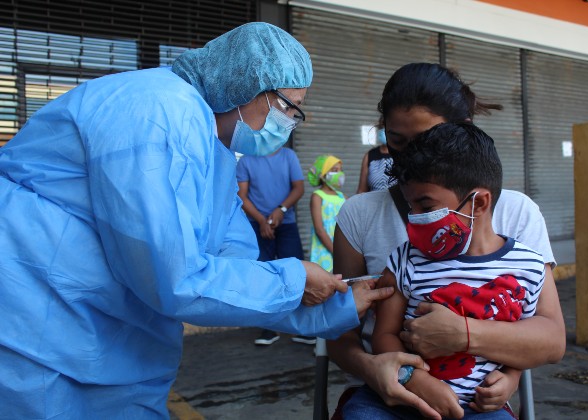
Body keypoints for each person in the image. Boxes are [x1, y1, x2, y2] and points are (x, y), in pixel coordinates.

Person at [0, 22, 392, 417]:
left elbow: (230, 270)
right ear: (246, 84)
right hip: (36, 326)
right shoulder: (158, 112)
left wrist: (333, 305)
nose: (289, 123)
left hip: (106, 338)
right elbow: (176, 277)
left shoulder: (215, 151)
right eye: (288, 108)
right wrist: (295, 281)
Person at [328, 63, 565, 419]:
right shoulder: (360, 216)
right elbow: (339, 332)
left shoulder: (517, 214)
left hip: (476, 399)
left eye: (426, 139)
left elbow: (548, 337)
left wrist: (494, 359)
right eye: (396, 142)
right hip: (392, 391)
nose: (408, 157)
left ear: (461, 132)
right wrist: (389, 372)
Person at [236, 146, 309, 346]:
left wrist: (281, 210)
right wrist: (261, 220)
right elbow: (241, 196)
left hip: (286, 223)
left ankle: (303, 326)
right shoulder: (246, 160)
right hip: (257, 224)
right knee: (263, 275)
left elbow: (298, 188)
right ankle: (268, 327)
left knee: (296, 271)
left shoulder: (289, 156)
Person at [356, 125, 395, 193]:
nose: (383, 130)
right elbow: (361, 190)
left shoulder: (402, 153)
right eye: (381, 127)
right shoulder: (370, 155)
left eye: (386, 127)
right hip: (374, 202)